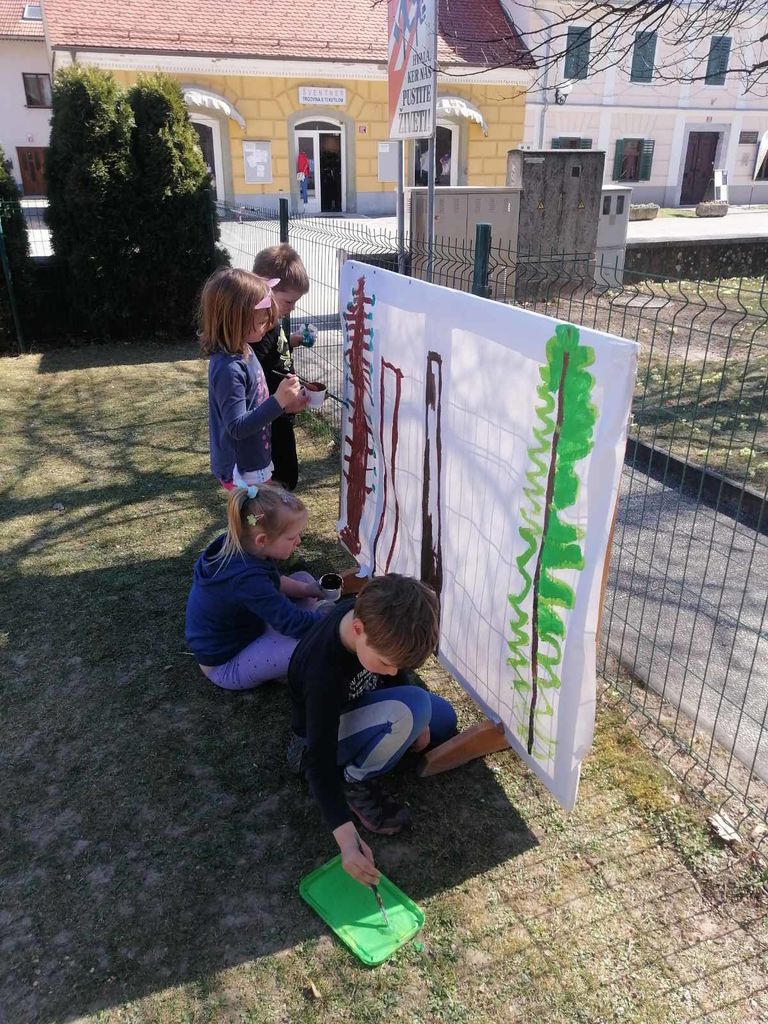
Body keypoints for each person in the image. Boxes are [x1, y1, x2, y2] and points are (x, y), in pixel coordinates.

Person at [287, 574, 458, 885]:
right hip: (314, 744)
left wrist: (419, 723)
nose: (392, 671)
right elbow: (318, 759)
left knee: (443, 719)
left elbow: (395, 672)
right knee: (415, 707)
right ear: (358, 630)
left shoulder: (366, 616)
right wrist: (347, 842)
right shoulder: (323, 673)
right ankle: (356, 780)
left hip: (357, 707)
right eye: (385, 662)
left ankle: (397, 726)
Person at [185, 483, 327, 690]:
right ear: (262, 540)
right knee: (313, 646)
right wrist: (334, 622)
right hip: (226, 665)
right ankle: (281, 666)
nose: (298, 541)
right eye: (291, 537)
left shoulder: (242, 543)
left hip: (249, 629)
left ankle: (280, 657)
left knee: (304, 581)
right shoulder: (246, 579)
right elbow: (293, 624)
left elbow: (272, 580)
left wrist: (306, 590)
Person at [199, 268, 307, 490]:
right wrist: (278, 400)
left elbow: (254, 405)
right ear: (237, 321)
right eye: (261, 322)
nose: (268, 327)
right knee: (266, 513)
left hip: (255, 459)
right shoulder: (229, 368)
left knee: (271, 511)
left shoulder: (245, 350)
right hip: (242, 471)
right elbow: (237, 427)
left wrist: (285, 406)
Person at [251, 244, 317, 490]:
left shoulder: (272, 321)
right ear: (265, 289)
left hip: (282, 413)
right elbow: (257, 380)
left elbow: (275, 351)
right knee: (278, 482)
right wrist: (284, 405)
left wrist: (293, 341)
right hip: (269, 420)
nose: (293, 307)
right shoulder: (256, 332)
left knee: (288, 476)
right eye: (289, 301)